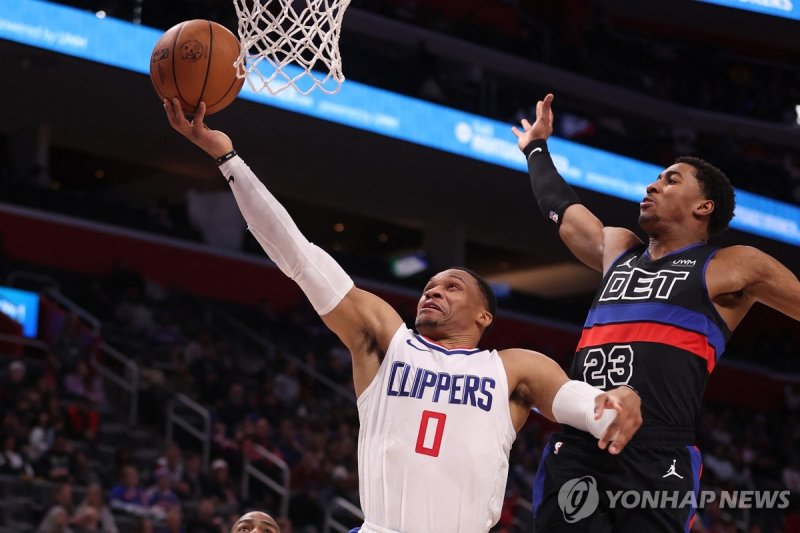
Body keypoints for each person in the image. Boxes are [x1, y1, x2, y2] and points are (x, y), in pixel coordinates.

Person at [163, 98, 643, 532]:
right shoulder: (386, 340)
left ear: (483, 317)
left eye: (451, 287)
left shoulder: (513, 367)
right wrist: (227, 158)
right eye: (429, 286)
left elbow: (585, 408)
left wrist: (615, 405)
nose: (432, 292)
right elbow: (298, 256)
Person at [512, 93, 800, 531]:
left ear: (704, 207)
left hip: (657, 453)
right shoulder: (619, 249)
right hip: (581, 438)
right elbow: (565, 214)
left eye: (671, 181)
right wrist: (536, 149)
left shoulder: (731, 264)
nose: (652, 186)